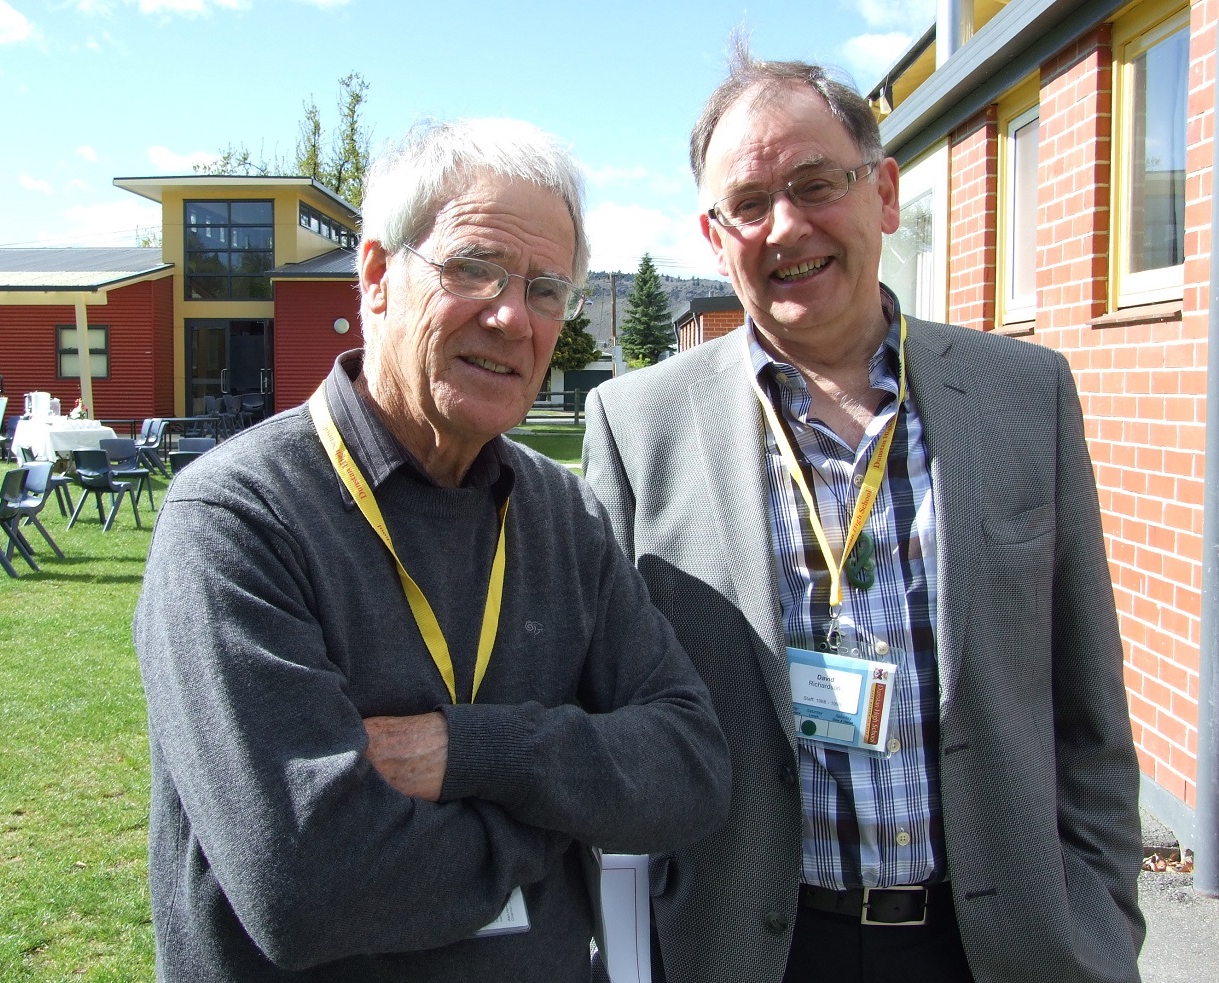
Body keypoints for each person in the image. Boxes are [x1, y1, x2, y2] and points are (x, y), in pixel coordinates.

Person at [583, 47, 1144, 983]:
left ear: (882, 193)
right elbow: (607, 716)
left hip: (998, 949)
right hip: (749, 949)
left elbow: (1090, 709)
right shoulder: (638, 426)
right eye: (749, 204)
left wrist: (1096, 918)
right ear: (715, 237)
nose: (786, 226)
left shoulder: (1024, 393)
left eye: (815, 183)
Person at [134, 117, 730, 982]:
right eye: (473, 267)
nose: (510, 316)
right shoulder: (238, 518)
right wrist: (566, 811)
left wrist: (480, 752)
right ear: (376, 277)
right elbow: (307, 887)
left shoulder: (560, 512)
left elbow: (689, 767)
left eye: (546, 289)